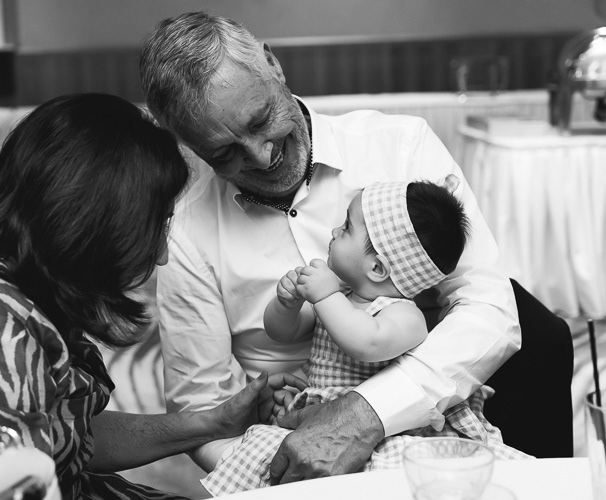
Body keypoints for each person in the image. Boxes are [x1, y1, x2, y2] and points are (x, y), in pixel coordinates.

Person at [0, 93, 302, 500]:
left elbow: (61, 436)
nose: (162, 255)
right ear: (95, 228)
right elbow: (17, 479)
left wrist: (210, 422)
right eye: (157, 227)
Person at [139, 11, 523, 483]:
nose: (260, 155)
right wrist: (282, 470)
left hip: (420, 428)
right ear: (190, 147)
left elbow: (488, 309)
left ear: (273, 65)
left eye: (261, 120)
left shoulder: (400, 148)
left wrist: (368, 414)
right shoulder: (184, 231)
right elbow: (202, 408)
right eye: (224, 153)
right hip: (280, 453)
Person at [201, 179, 528, 496]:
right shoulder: (340, 296)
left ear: (377, 268)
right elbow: (283, 333)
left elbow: (366, 344)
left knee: (386, 474)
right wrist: (286, 305)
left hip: (383, 431)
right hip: (322, 418)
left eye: (346, 228)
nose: (333, 231)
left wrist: (325, 296)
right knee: (266, 452)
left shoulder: (404, 316)